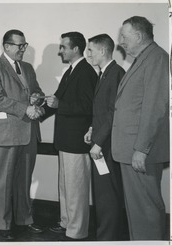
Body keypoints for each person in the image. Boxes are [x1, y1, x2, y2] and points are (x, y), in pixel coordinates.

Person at [111, 16, 169, 240]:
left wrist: (142, 148)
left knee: (145, 210)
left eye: (124, 37)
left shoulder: (156, 59)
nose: (120, 42)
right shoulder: (145, 58)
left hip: (140, 151)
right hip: (131, 149)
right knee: (137, 212)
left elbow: (155, 107)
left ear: (138, 36)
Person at [0, 29, 45, 241]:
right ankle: (2, 226)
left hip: (29, 133)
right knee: (4, 182)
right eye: (19, 45)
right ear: (7, 46)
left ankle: (24, 220)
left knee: (23, 180)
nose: (22, 49)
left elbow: (36, 90)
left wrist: (37, 98)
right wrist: (25, 109)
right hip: (6, 134)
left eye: (24, 45)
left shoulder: (27, 68)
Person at [47, 32, 97, 240]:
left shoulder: (86, 72)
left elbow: (88, 106)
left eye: (63, 47)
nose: (61, 51)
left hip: (77, 142)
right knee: (66, 187)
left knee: (76, 189)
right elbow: (58, 98)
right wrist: (41, 102)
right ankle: (66, 223)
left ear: (75, 48)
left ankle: (76, 232)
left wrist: (60, 105)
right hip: (66, 141)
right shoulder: (71, 71)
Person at [84, 34, 126, 241]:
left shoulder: (116, 73)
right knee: (103, 195)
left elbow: (113, 112)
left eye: (90, 50)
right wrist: (92, 129)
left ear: (102, 51)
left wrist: (98, 142)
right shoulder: (105, 73)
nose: (87, 54)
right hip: (102, 143)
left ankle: (107, 238)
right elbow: (102, 111)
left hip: (106, 147)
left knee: (107, 196)